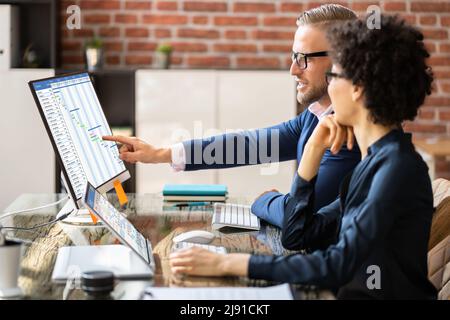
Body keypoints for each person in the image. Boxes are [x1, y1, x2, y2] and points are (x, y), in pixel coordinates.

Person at [169, 15, 438, 300]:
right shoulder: (372, 164)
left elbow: (338, 264)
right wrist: (311, 153)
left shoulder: (397, 168)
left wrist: (226, 262)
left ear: (357, 87)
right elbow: (298, 235)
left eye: (334, 75)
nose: (330, 87)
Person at [103, 4, 361, 228]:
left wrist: (264, 200)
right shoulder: (316, 115)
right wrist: (160, 153)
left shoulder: (348, 133)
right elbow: (251, 145)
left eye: (304, 58)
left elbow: (296, 215)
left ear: (342, 61)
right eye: (294, 56)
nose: (293, 69)